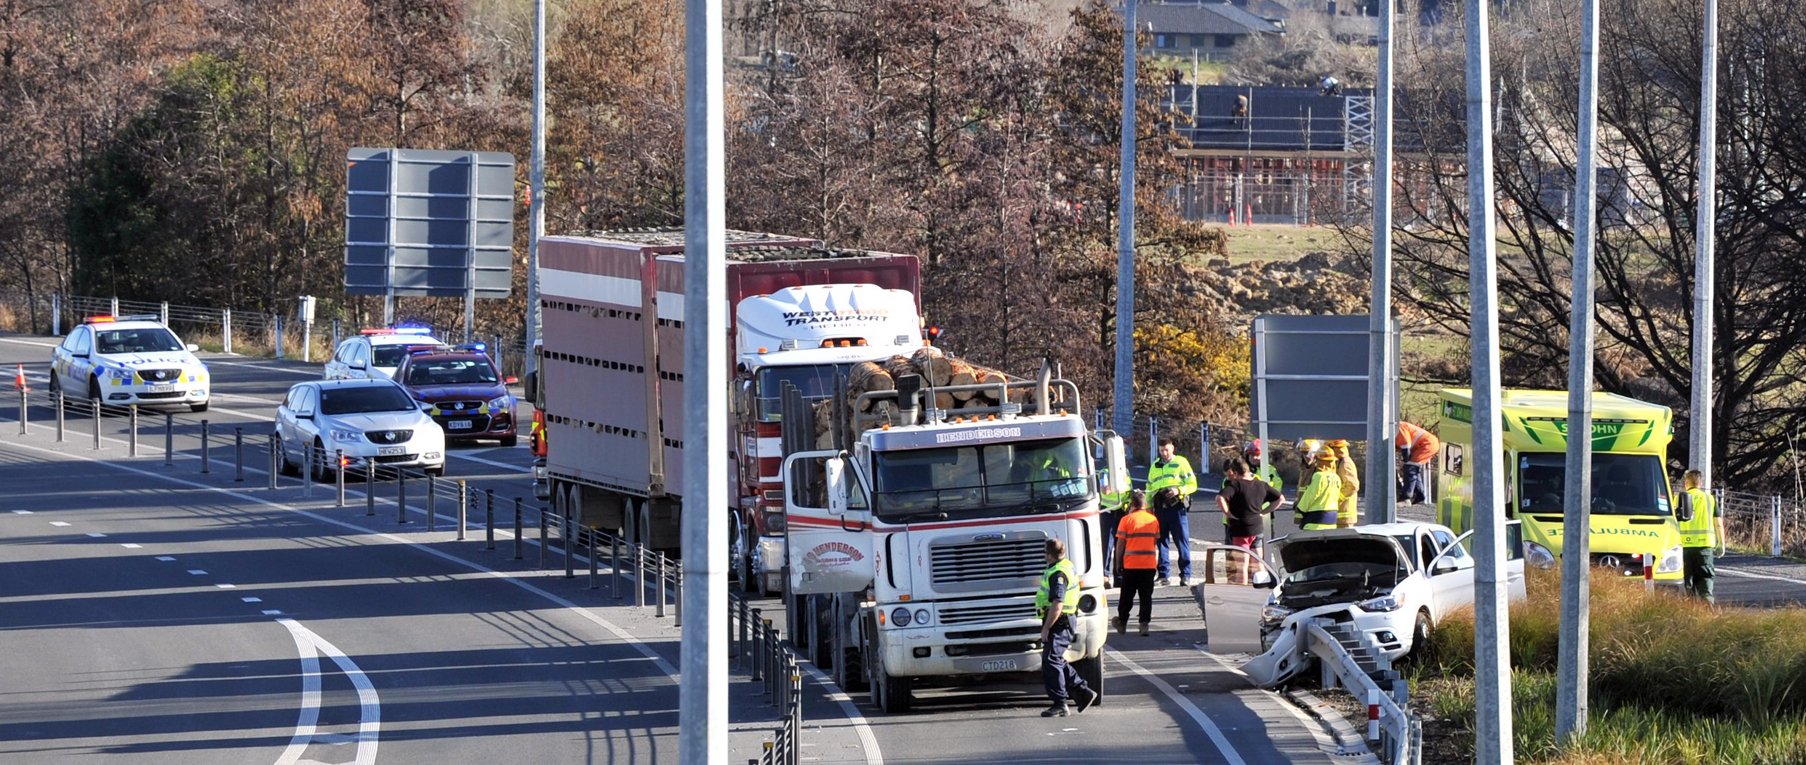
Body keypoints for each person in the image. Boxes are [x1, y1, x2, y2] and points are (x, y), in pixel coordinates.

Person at [1037, 538, 1097, 717]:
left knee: (1051, 659)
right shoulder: (1066, 565)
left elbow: (1058, 603)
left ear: (1049, 555)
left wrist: (1046, 628)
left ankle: (1060, 703)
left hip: (1060, 621)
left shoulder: (1058, 574)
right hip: (1062, 620)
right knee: (1054, 658)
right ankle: (1083, 692)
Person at [1217, 458, 1285, 584]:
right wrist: (1264, 512)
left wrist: (1228, 513)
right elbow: (1280, 499)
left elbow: (1220, 498)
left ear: (1236, 473)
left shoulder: (1236, 486)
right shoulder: (1261, 484)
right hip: (1257, 529)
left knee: (1242, 566)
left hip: (1241, 530)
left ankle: (1243, 594)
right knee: (1258, 563)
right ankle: (1264, 591)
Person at [1146, 439, 1198, 586]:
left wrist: (1178, 490)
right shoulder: (1155, 465)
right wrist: (1148, 506)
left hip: (1177, 506)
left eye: (1167, 450)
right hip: (1160, 507)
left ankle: (1185, 575)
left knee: (1182, 541)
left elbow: (1193, 484)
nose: (1164, 453)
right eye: (1162, 450)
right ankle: (1163, 575)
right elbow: (1149, 487)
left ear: (1173, 448)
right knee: (1161, 541)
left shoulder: (1181, 462)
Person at [1674, 469, 1725, 605]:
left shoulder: (1677, 498)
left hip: (1684, 548)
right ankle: (1708, 609)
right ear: (1700, 483)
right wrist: (1721, 544)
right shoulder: (1710, 499)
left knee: (1686, 582)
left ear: (1686, 483)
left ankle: (1690, 611)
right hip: (1705, 548)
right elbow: (1718, 524)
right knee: (1705, 580)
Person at [1112, 490, 1160, 636]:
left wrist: (1118, 564)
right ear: (1145, 504)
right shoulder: (1153, 520)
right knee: (1146, 596)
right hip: (1149, 565)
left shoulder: (1126, 520)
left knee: (1126, 595)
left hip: (1131, 565)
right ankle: (1144, 625)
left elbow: (1120, 545)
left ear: (1132, 504)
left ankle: (1122, 622)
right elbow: (1155, 541)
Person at [1296, 448, 1342, 531]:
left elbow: (1310, 496)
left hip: (1315, 519)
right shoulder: (1336, 477)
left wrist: (1300, 509)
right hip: (1332, 520)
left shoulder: (1319, 476)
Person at [1395, 421, 1439, 505]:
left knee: (1410, 468)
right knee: (1412, 468)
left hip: (1427, 445)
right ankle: (1419, 494)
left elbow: (1406, 446)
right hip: (1424, 445)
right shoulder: (1395, 428)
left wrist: (1405, 461)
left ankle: (1406, 498)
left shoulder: (1398, 427)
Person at [1098, 465, 1126, 588]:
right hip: (1108, 511)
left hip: (1122, 510)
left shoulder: (1126, 472)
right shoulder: (1105, 472)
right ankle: (1105, 576)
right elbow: (1105, 490)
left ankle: (1119, 577)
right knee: (1107, 545)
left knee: (1120, 545)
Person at [1329, 439, 1360, 527]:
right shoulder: (1339, 462)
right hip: (1340, 513)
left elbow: (1352, 485)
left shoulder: (1345, 463)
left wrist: (1338, 497)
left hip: (1345, 514)